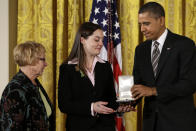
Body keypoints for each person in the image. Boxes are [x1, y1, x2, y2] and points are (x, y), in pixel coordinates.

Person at [131, 2, 196, 131]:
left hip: (178, 123)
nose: (142, 29)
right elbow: (138, 84)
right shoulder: (141, 50)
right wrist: (129, 102)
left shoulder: (184, 45)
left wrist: (154, 90)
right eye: (140, 24)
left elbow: (190, 84)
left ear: (161, 20)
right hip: (151, 124)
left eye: (146, 23)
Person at [58, 22, 131, 131]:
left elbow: (110, 99)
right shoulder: (67, 68)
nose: (101, 44)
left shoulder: (105, 66)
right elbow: (64, 104)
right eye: (97, 40)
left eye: (102, 40)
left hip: (105, 127)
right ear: (82, 40)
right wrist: (92, 107)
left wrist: (119, 107)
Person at [0, 41, 55, 131]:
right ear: (31, 60)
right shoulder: (15, 90)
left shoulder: (35, 83)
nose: (46, 64)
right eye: (43, 59)